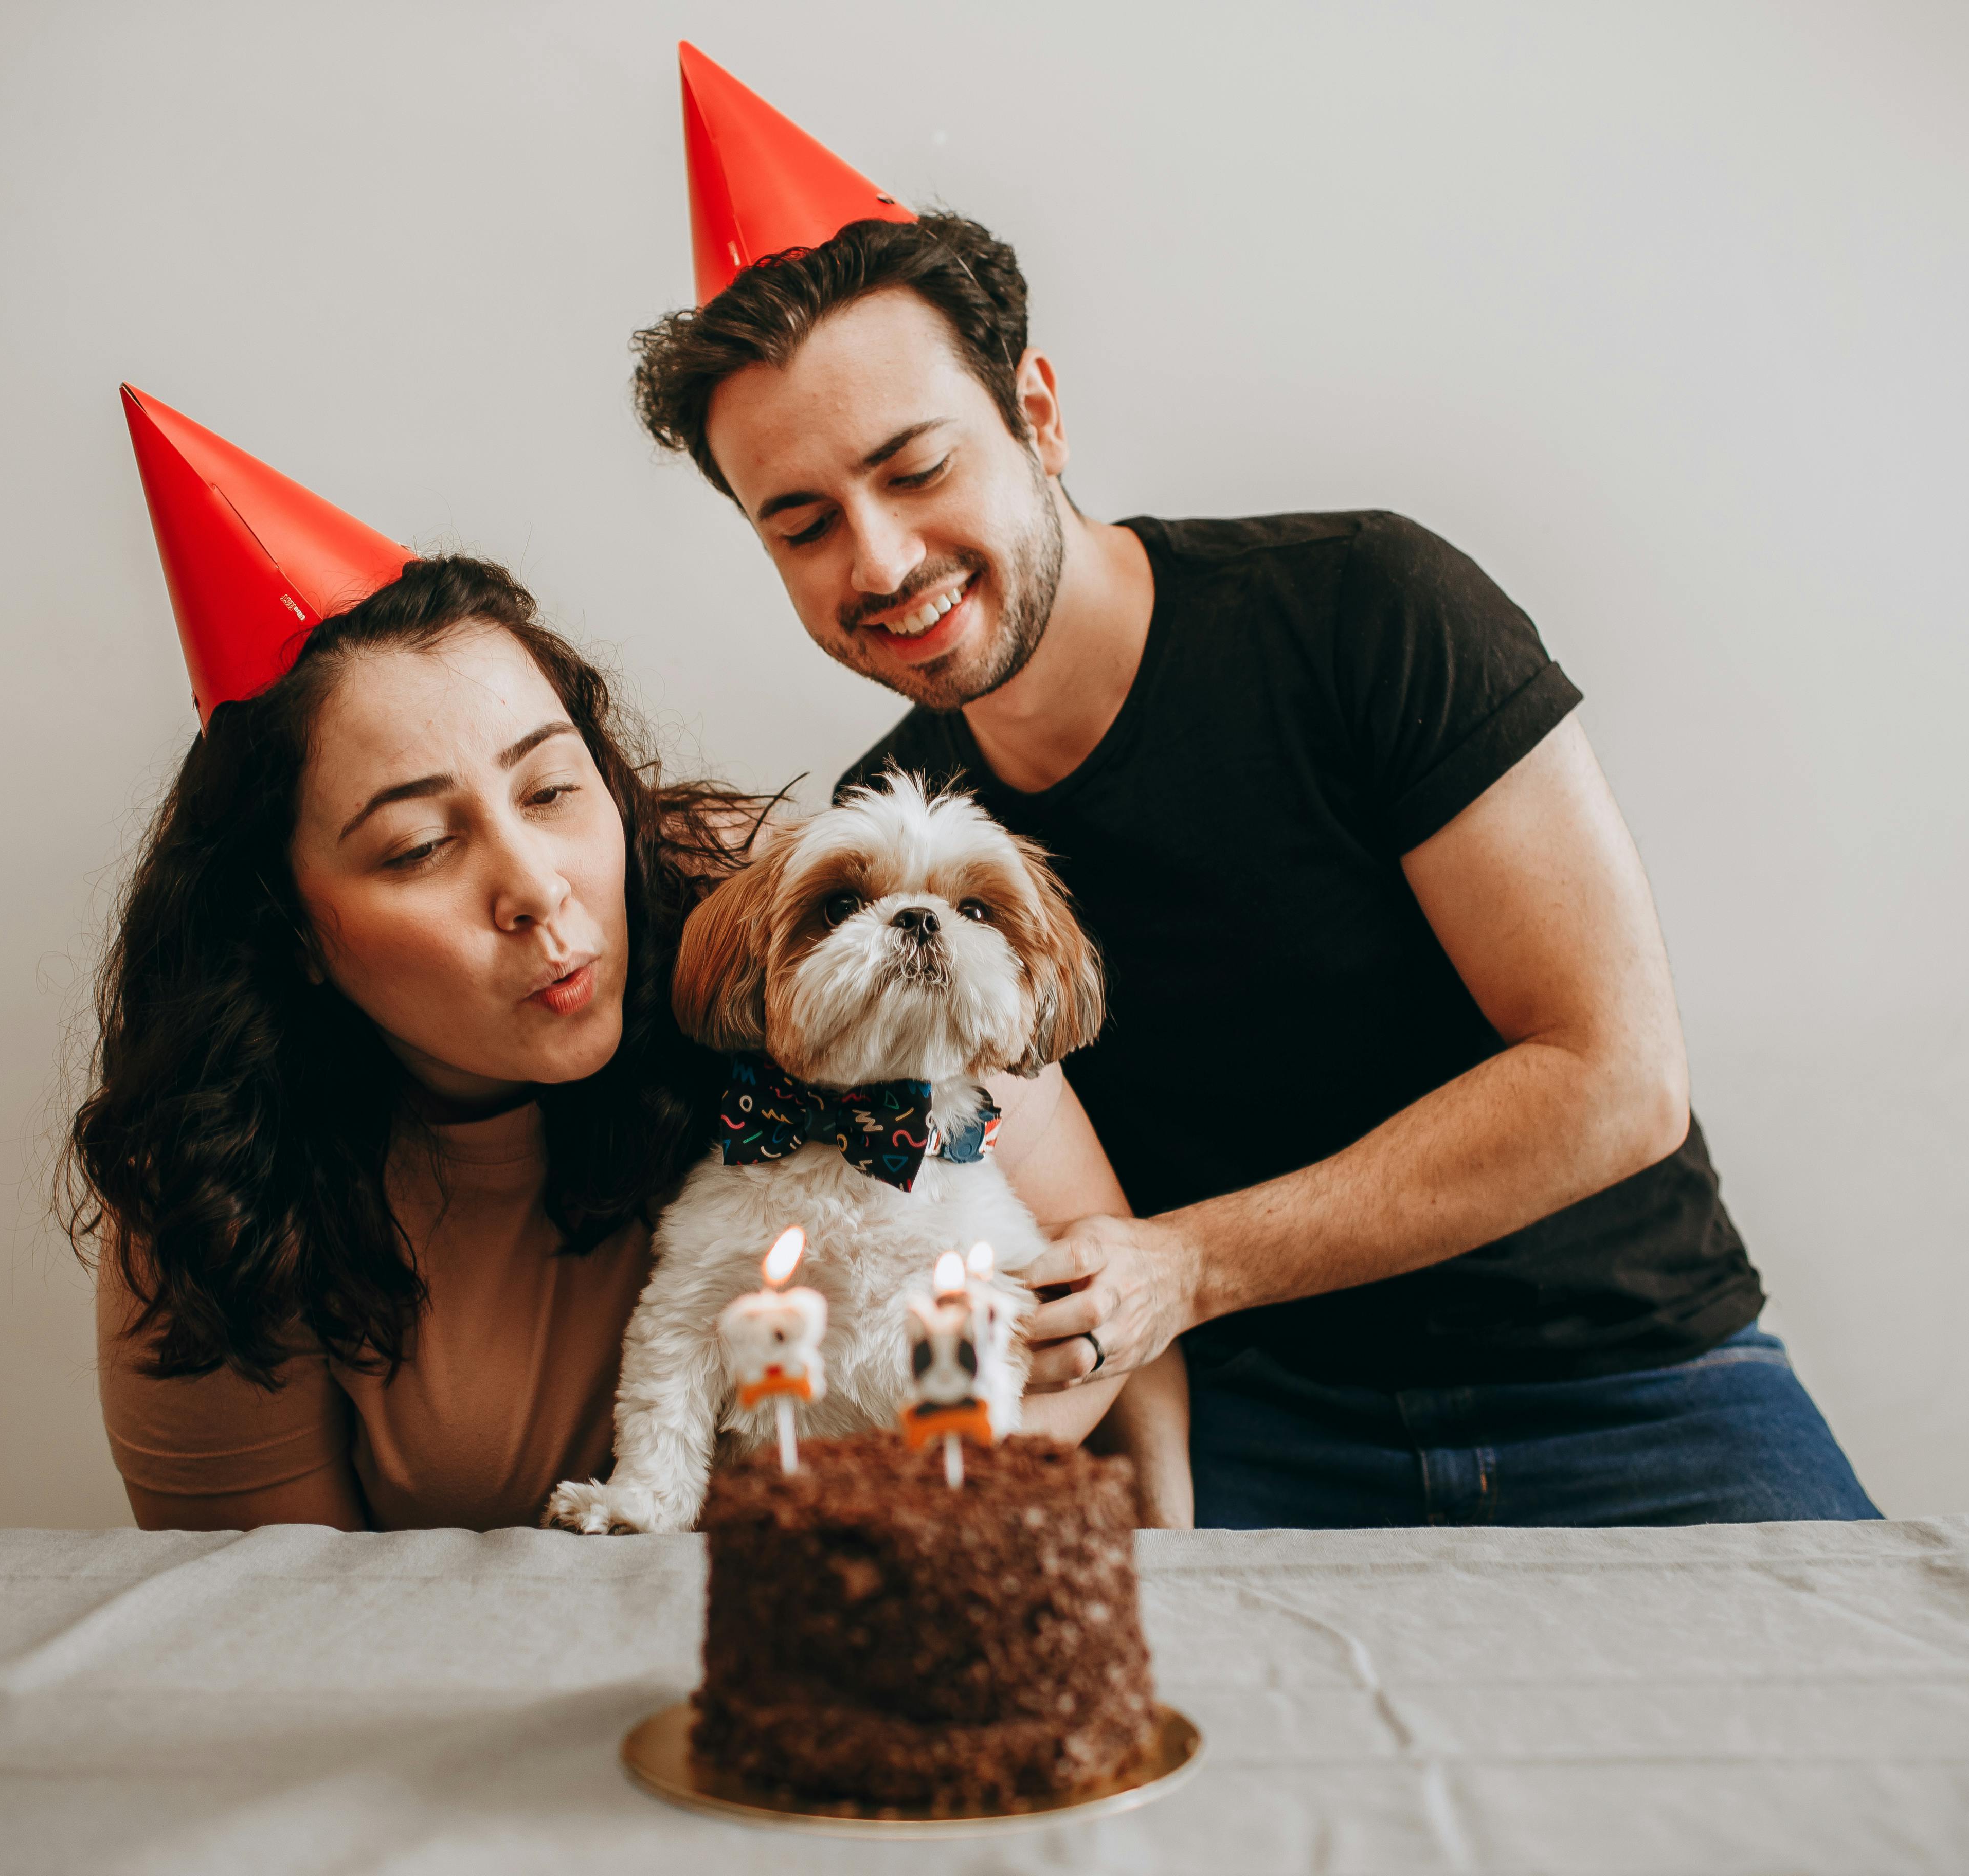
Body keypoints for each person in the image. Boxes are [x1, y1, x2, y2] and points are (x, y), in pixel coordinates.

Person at [624, 48, 1877, 1528]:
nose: (881, 561)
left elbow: (1617, 1079)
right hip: (1255, 1424)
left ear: (1038, 411)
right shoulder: (889, 850)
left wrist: (1198, 1263)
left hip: (1640, 1384)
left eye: (915, 469)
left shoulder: (1366, 610)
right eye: (803, 523)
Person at [68, 388, 1186, 1531]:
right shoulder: (210, 1176)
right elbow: (257, 1610)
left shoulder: (791, 903)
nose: (536, 888)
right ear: (288, 928)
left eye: (553, 789)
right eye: (418, 846)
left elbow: (1112, 1329)